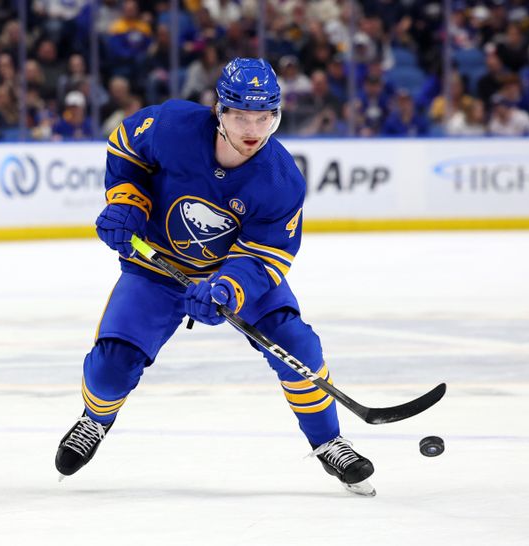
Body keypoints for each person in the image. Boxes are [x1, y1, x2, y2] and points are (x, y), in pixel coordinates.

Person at [54, 58, 376, 496]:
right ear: (219, 111)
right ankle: (94, 420)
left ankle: (329, 441)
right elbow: (127, 146)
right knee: (111, 367)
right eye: (242, 115)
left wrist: (227, 287)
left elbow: (266, 256)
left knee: (297, 345)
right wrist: (127, 202)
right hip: (156, 267)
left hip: (229, 275)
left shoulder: (282, 180)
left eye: (264, 117)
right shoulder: (172, 126)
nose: (253, 129)